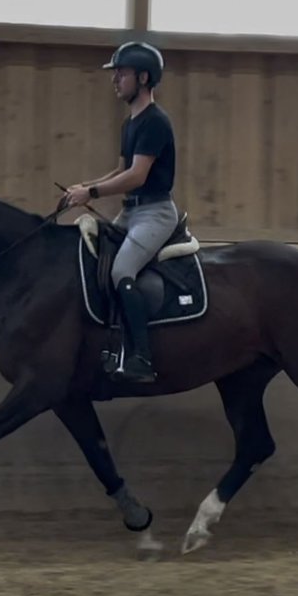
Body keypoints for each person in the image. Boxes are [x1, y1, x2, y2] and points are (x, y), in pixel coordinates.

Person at [62, 41, 177, 384]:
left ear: (143, 78)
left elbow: (138, 176)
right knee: (96, 262)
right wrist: (84, 187)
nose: (115, 81)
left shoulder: (155, 121)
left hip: (155, 214)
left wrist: (92, 192)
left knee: (121, 269)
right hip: (131, 212)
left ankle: (142, 357)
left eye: (121, 74)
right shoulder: (130, 123)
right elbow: (120, 171)